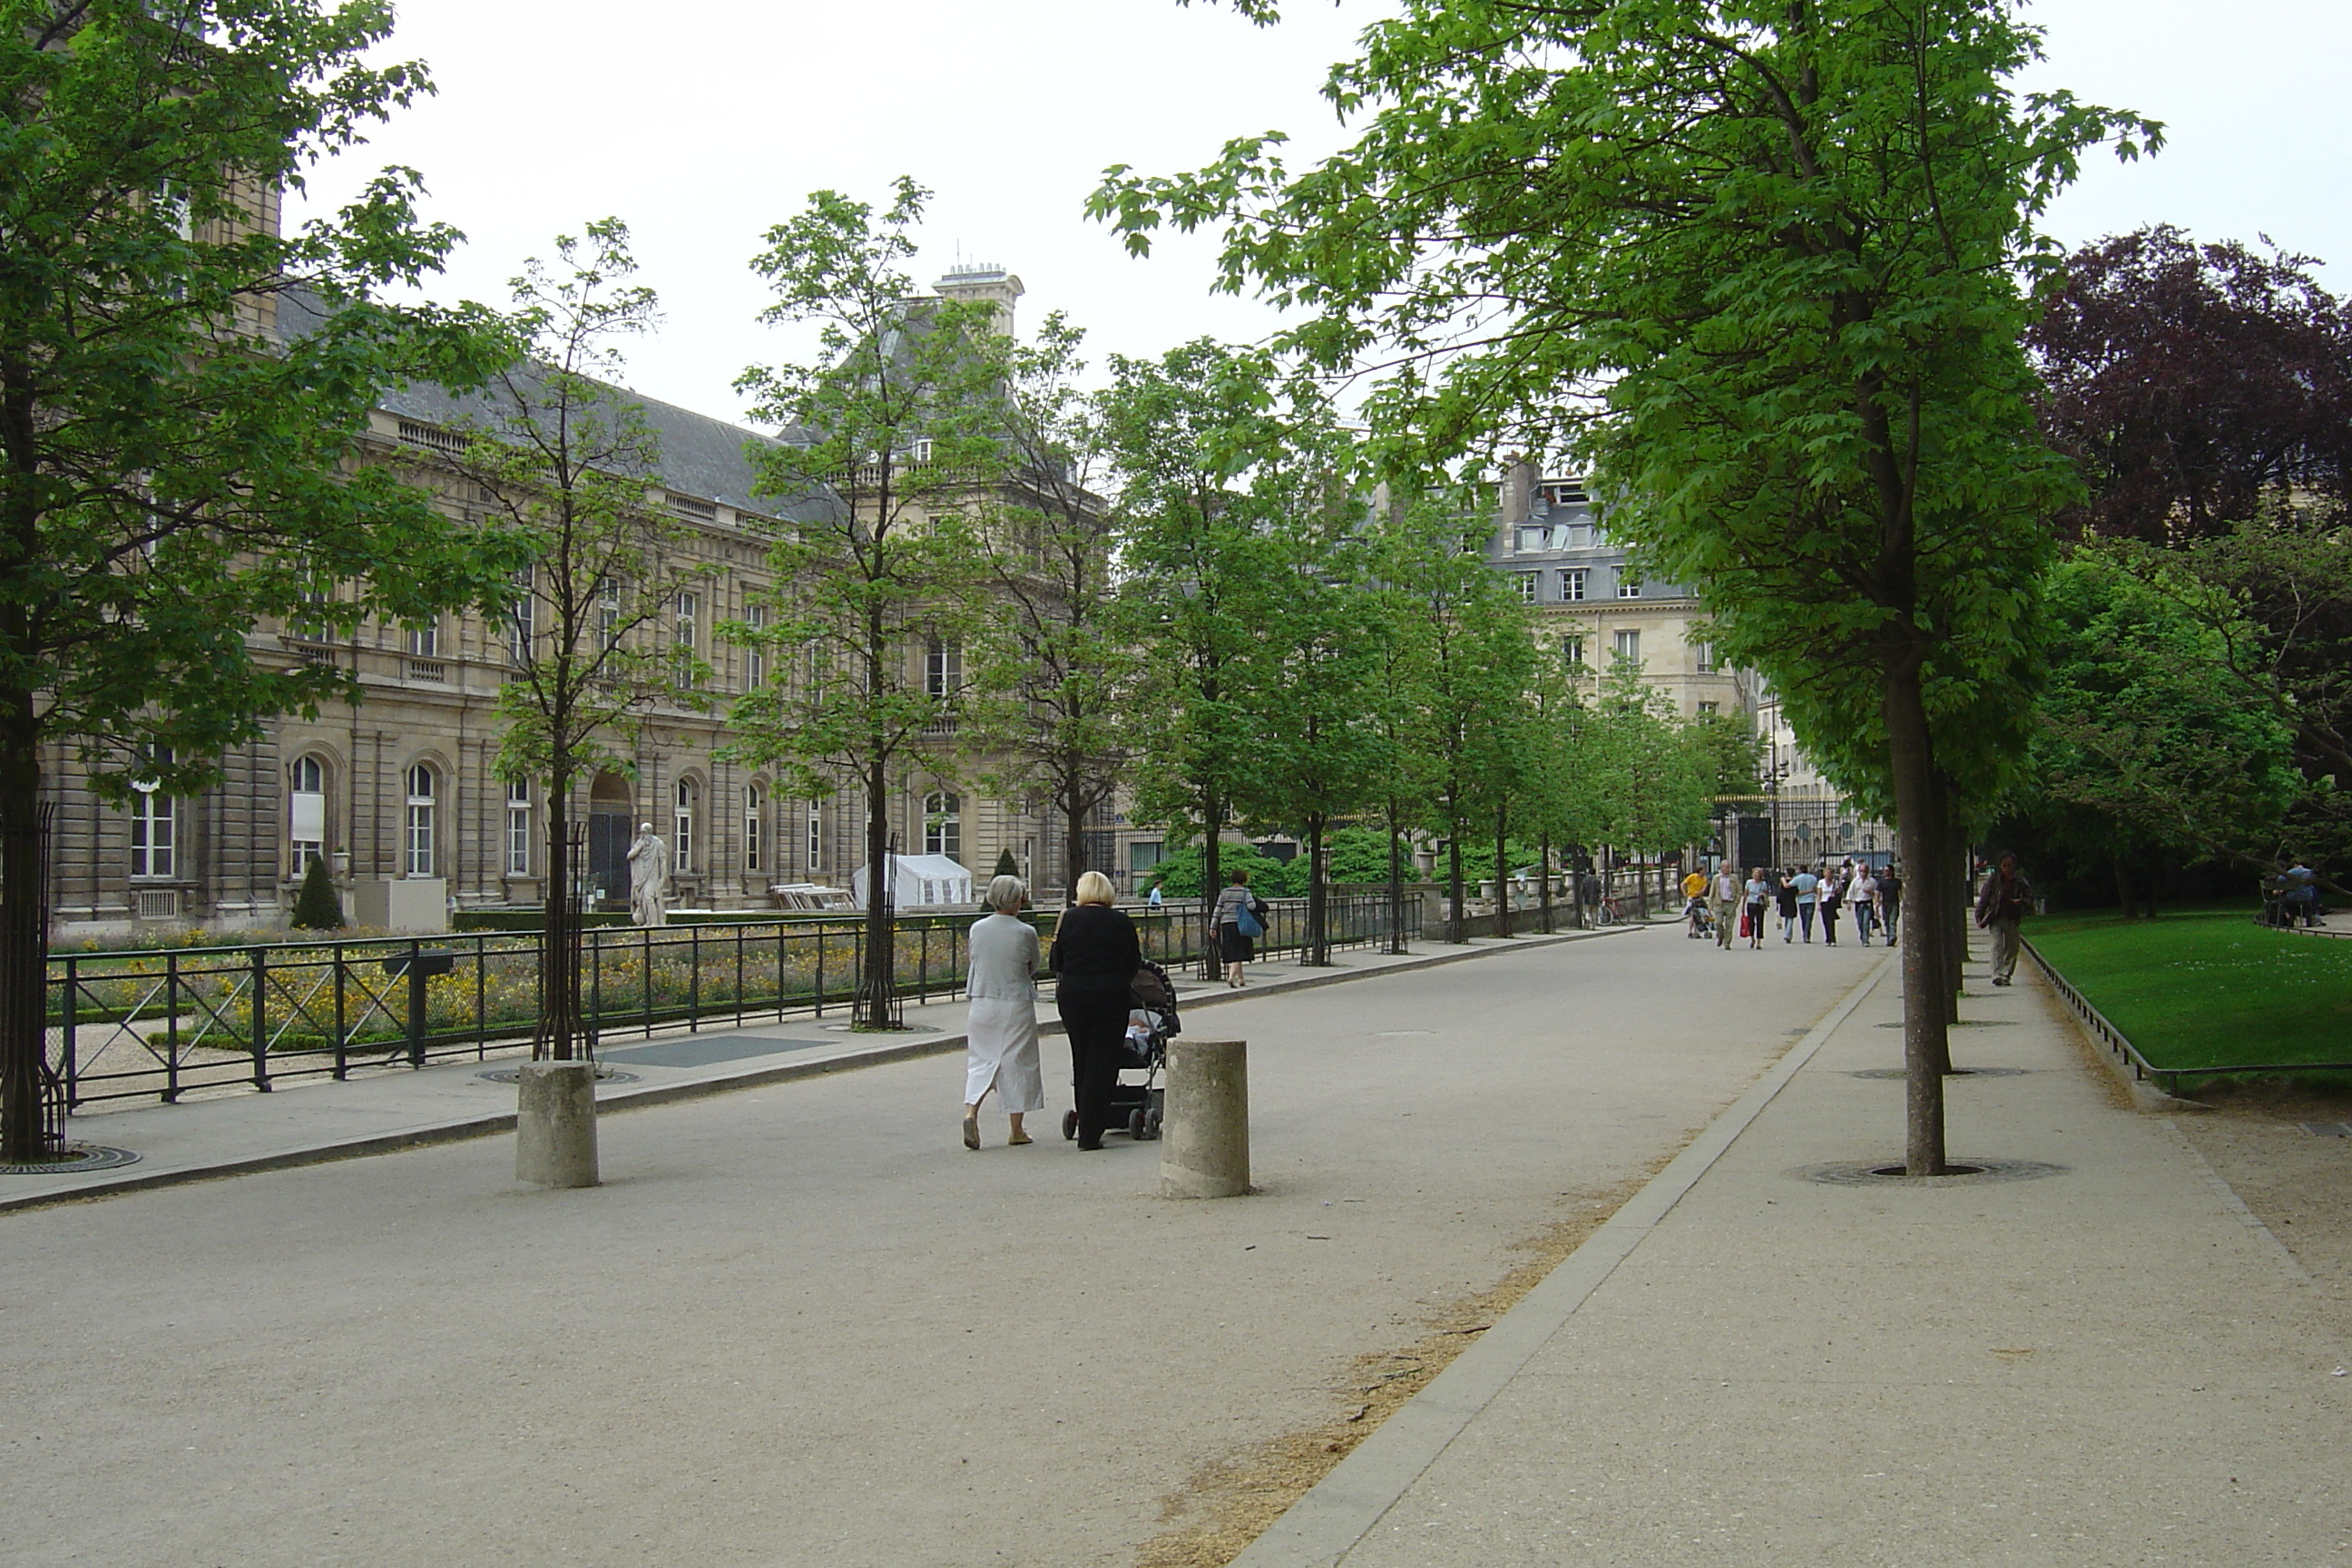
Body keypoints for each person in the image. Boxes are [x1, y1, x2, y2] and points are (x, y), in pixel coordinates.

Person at [1049, 871, 1142, 1151]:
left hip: (1073, 996)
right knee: (1104, 1061)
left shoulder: (1068, 919)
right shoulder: (1121, 921)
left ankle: (1084, 1118)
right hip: (1111, 994)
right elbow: (1133, 962)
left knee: (1082, 1056)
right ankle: (1092, 1129)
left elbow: (1056, 963)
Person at [962, 875, 1042, 1151]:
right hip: (1015, 1000)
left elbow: (974, 958)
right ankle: (1016, 1129)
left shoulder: (977, 928)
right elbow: (1033, 965)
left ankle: (971, 1112)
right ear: (1018, 900)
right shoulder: (1025, 932)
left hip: (982, 999)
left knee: (981, 1060)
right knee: (1017, 1062)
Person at [1974, 852, 2034, 986]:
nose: (2008, 868)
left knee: (2012, 947)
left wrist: (2021, 902)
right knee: (1997, 945)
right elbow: (1984, 898)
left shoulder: (2020, 881)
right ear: (2001, 866)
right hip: (1996, 916)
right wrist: (1979, 915)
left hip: (2012, 917)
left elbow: (2029, 897)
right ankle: (1997, 973)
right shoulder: (1994, 880)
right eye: (2005, 865)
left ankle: (2006, 973)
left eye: (2010, 865)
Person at [1212, 867, 1270, 988]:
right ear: (1244, 880)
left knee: (1233, 949)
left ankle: (1241, 979)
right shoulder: (1245, 892)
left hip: (1226, 923)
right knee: (1238, 952)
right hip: (1240, 924)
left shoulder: (1224, 892)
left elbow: (1217, 909)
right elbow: (1251, 906)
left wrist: (1213, 926)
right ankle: (1231, 977)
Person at [626, 823, 671, 926]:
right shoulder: (639, 843)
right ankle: (649, 921)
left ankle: (655, 923)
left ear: (649, 832)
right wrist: (640, 847)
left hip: (653, 877)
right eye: (641, 832)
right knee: (643, 901)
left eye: (644, 832)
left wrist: (662, 879)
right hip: (641, 877)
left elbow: (663, 862)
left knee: (648, 897)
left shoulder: (658, 843)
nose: (643, 835)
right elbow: (629, 856)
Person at [1711, 864, 1740, 950]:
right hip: (1719, 903)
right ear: (1721, 868)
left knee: (1729, 925)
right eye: (1725, 867)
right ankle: (1720, 935)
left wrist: (1736, 902)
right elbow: (1712, 891)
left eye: (1729, 867)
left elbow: (1739, 890)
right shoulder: (1716, 878)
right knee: (1718, 922)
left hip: (1730, 903)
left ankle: (1727, 943)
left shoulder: (1734, 878)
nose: (1727, 869)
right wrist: (1710, 904)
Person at [1742, 867, 1770, 950]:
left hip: (1759, 904)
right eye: (1754, 873)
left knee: (1760, 922)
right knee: (1750, 922)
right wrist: (1743, 905)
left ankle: (1758, 941)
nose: (1755, 875)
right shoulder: (1749, 882)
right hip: (1751, 903)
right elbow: (1745, 894)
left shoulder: (1763, 884)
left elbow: (1766, 894)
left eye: (1757, 874)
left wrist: (1763, 895)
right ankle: (1752, 939)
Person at [1851, 866, 1879, 946]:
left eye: (1864, 871)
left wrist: (1871, 892)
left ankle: (1866, 939)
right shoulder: (1855, 881)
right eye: (1861, 871)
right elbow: (1851, 891)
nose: (1863, 873)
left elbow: (1876, 893)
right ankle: (1862, 935)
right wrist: (1849, 901)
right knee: (1860, 922)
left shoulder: (1872, 881)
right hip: (1859, 903)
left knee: (1866, 922)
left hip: (1868, 903)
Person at [1791, 864, 1819, 943]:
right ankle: (1807, 935)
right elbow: (1816, 888)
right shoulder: (1813, 878)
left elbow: (1789, 885)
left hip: (1802, 901)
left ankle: (1805, 934)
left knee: (1803, 919)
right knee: (1809, 919)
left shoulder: (1797, 878)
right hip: (1811, 900)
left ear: (1800, 870)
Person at [1818, 863, 1843, 946]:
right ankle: (1828, 938)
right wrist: (1818, 904)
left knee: (1831, 921)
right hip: (1824, 902)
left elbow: (1840, 892)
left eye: (1830, 873)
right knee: (1825, 921)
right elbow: (1819, 894)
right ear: (1824, 874)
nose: (1828, 875)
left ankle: (1833, 939)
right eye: (1827, 873)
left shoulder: (1835, 882)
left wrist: (1837, 892)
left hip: (1832, 903)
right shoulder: (1821, 882)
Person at [1772, 868, 1799, 944]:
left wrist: (1777, 902)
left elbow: (1780, 892)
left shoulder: (1783, 882)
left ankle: (1787, 935)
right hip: (1791, 900)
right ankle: (1788, 935)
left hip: (1784, 901)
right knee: (1790, 918)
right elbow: (1797, 891)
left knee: (1788, 919)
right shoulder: (1794, 882)